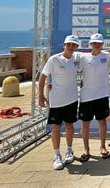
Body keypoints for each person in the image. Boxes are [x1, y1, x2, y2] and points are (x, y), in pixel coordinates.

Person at [38, 35, 81, 170]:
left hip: (72, 100)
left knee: (69, 126)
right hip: (56, 101)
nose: (71, 47)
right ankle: (56, 155)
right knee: (56, 128)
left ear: (76, 47)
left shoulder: (77, 58)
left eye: (74, 45)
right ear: (64, 45)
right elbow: (43, 76)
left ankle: (69, 150)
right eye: (68, 44)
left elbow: (92, 60)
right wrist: (40, 95)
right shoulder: (54, 59)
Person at [78, 33, 110, 162]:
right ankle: (86, 149)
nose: (97, 45)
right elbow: (73, 71)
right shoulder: (83, 58)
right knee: (85, 124)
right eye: (94, 43)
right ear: (90, 44)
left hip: (102, 95)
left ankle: (103, 147)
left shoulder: (107, 56)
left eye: (99, 43)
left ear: (102, 44)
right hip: (86, 96)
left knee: (102, 122)